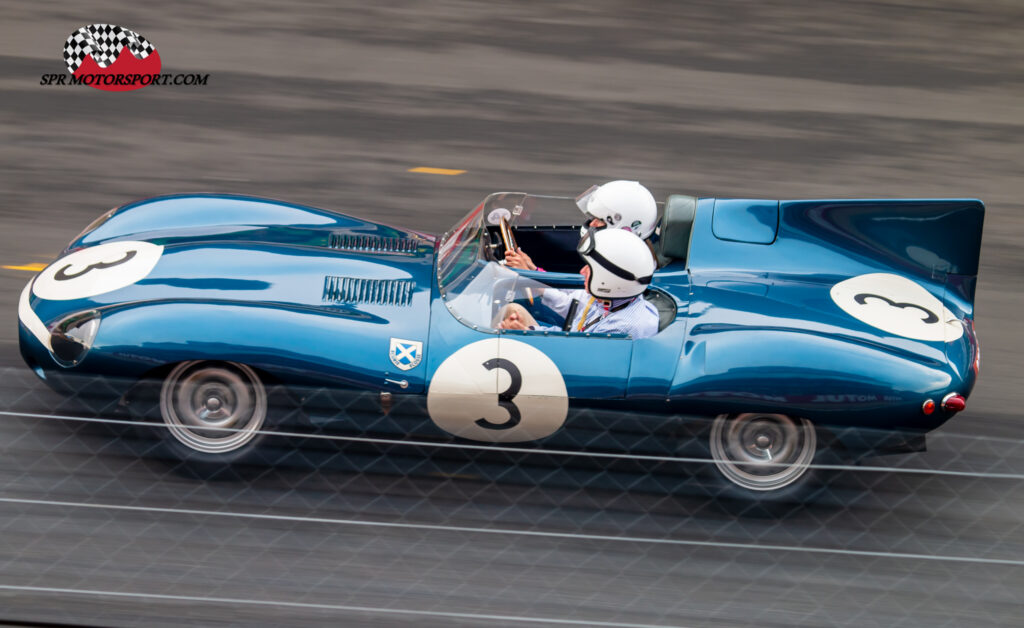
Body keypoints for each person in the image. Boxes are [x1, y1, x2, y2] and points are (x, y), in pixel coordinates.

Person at [500, 227, 659, 339]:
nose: (582, 272)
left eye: (590, 268)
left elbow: (573, 354)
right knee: (512, 311)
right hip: (569, 342)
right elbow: (575, 330)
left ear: (608, 278)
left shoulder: (620, 329)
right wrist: (530, 330)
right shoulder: (613, 300)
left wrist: (527, 334)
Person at [505, 180, 658, 271]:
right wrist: (533, 269)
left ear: (625, 227)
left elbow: (579, 301)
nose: (592, 224)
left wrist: (530, 275)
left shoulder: (626, 265)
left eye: (599, 220)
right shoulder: (629, 255)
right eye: (593, 218)